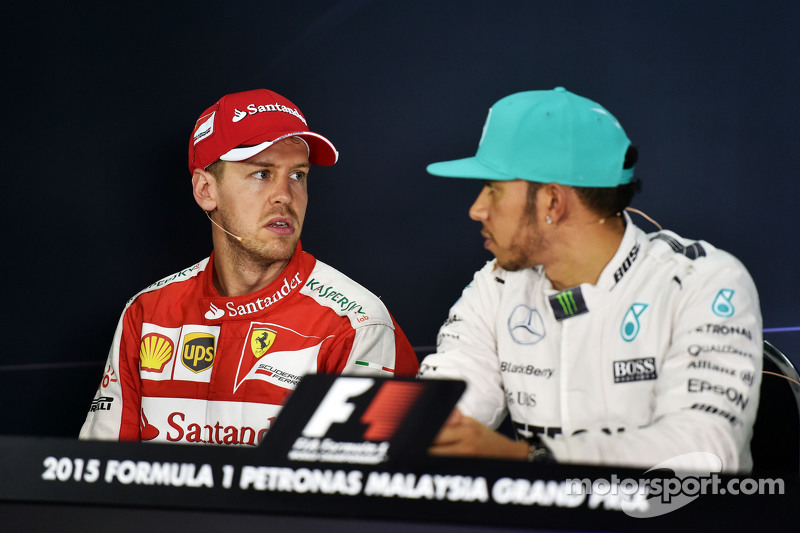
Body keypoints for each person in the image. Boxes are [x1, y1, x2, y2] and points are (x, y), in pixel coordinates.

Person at [419, 87, 762, 472]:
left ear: (553, 201)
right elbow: (442, 408)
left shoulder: (702, 281)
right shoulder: (496, 285)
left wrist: (528, 458)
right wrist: (422, 428)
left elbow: (704, 450)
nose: (476, 209)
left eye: (493, 190)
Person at [80, 89, 419, 445]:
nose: (285, 195)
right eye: (262, 173)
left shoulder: (357, 325)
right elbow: (102, 476)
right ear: (206, 190)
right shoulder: (147, 313)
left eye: (298, 175)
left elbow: (365, 493)